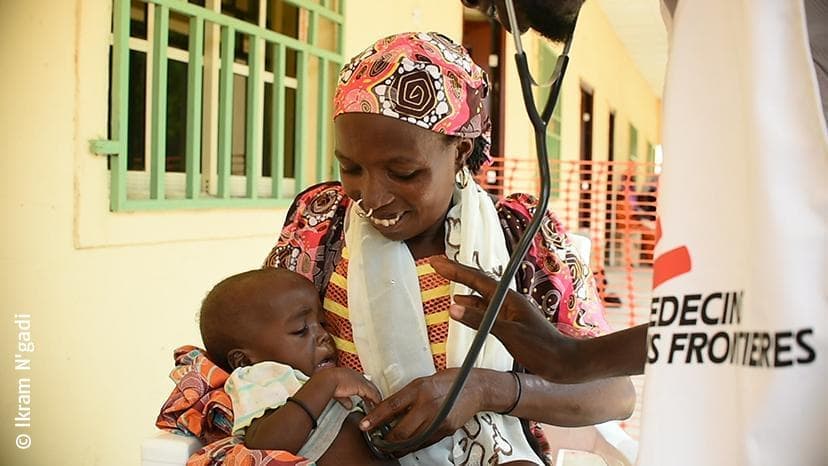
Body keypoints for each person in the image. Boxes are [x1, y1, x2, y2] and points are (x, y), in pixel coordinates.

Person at [264, 31, 634, 465]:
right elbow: (256, 341)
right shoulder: (321, 220)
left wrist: (482, 389)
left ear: (461, 152)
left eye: (403, 173)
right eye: (351, 167)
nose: (371, 195)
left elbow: (614, 393)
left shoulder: (524, 236)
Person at [198, 267, 394, 465]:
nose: (323, 336)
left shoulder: (315, 378)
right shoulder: (261, 377)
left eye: (323, 323)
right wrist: (327, 382)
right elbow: (264, 446)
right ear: (244, 360)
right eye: (301, 330)